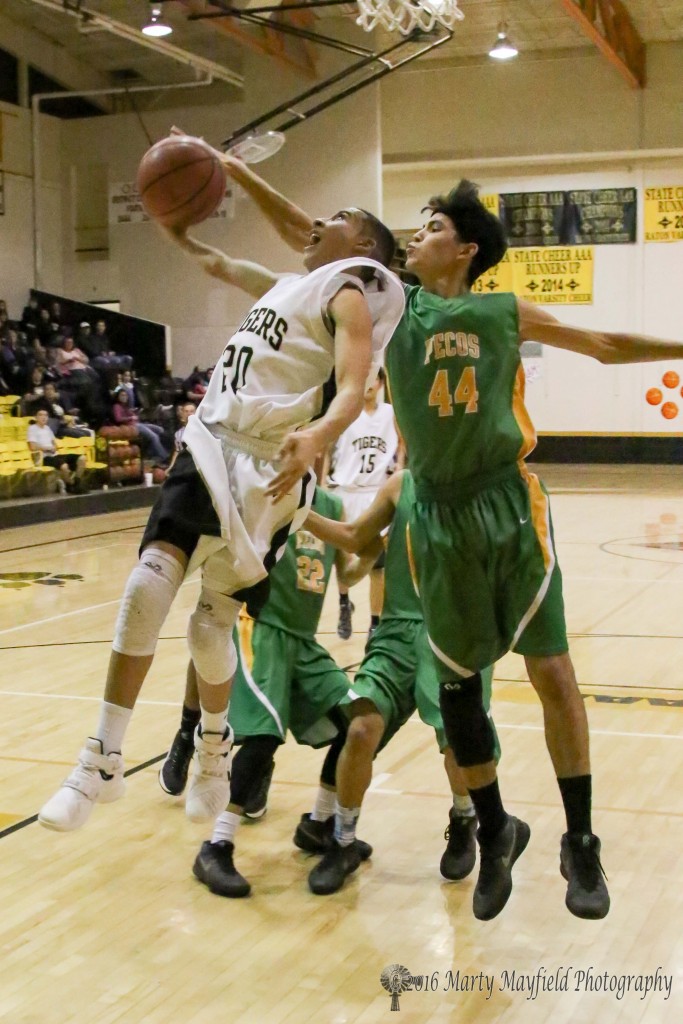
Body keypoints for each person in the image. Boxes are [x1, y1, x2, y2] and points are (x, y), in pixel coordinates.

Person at [212, 158, 683, 922]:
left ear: (465, 249)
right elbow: (313, 238)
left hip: (504, 500)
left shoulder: (502, 311)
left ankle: (580, 841)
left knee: (552, 673)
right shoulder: (389, 307)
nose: (415, 237)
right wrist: (235, 172)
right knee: (459, 687)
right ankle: (494, 827)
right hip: (433, 511)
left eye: (431, 227)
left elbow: (601, 342)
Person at [38, 176, 405, 837]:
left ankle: (213, 749)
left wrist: (319, 434)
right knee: (147, 586)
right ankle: (101, 760)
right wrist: (181, 233)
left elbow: (352, 385)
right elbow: (221, 263)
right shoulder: (287, 285)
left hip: (267, 469)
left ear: (366, 248)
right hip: (209, 441)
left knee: (211, 627)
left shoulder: (348, 294)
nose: (319, 220)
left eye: (340, 217)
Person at [161, 486, 378, 896]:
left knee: (359, 727)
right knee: (263, 737)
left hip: (302, 640)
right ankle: (215, 846)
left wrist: (372, 549)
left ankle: (320, 824)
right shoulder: (270, 490)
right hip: (260, 628)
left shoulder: (331, 504)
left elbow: (346, 574)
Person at [302, 469, 497, 895]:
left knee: (458, 741)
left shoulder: (482, 483)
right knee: (360, 727)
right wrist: (300, 513)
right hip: (396, 630)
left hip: (455, 630)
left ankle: (464, 817)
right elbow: (355, 536)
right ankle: (344, 841)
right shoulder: (401, 484)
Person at [327, 367, 402, 642]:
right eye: (364, 378)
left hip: (376, 493)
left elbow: (404, 442)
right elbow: (325, 448)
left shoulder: (391, 414)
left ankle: (374, 623)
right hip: (347, 493)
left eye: (374, 378)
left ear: (381, 382)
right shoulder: (346, 413)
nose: (368, 383)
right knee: (343, 562)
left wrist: (400, 470)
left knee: (377, 565)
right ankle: (344, 603)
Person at [111, 387, 170, 464]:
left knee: (160, 429)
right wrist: (130, 417)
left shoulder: (125, 406)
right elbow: (118, 419)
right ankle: (164, 456)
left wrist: (135, 413)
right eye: (122, 395)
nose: (124, 397)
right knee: (154, 436)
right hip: (130, 427)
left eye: (125, 395)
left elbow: (133, 416)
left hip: (137, 424)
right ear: (118, 397)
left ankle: (152, 452)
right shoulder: (117, 406)